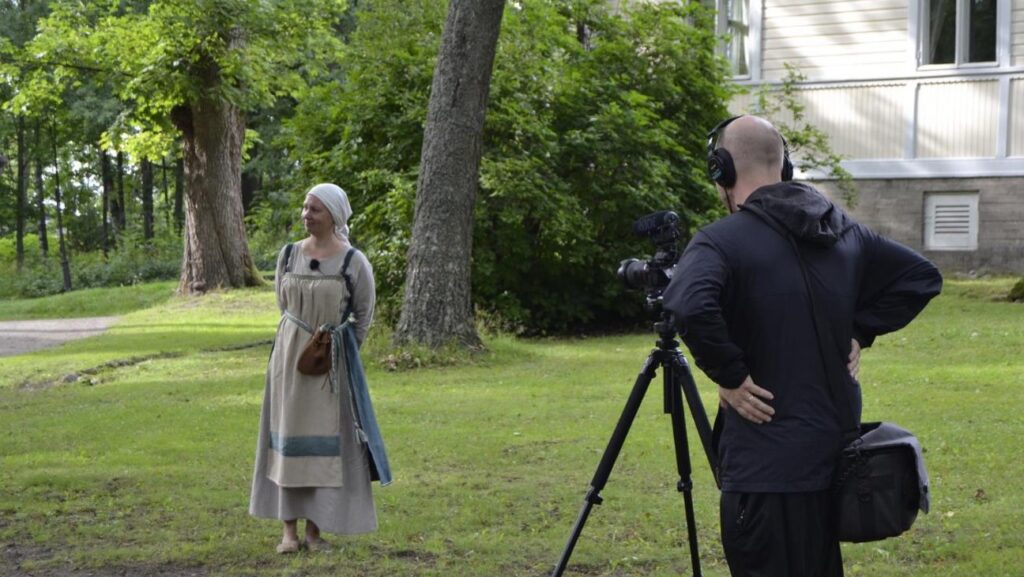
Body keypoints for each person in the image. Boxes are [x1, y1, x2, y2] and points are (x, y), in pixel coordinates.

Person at [662, 115, 942, 576]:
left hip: (764, 468)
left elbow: (688, 306)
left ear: (723, 171)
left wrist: (730, 376)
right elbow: (921, 276)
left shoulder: (720, 240)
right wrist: (860, 329)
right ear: (785, 166)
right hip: (836, 460)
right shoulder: (845, 232)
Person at [249, 183, 392, 554]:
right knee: (286, 443)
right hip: (288, 361)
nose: (306, 215)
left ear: (334, 215)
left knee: (322, 447)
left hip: (330, 364)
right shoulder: (289, 255)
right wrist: (295, 345)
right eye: (304, 208)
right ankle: (288, 533)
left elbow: (363, 316)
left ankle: (314, 532)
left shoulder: (352, 261)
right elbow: (283, 306)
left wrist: (336, 352)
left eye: (314, 209)